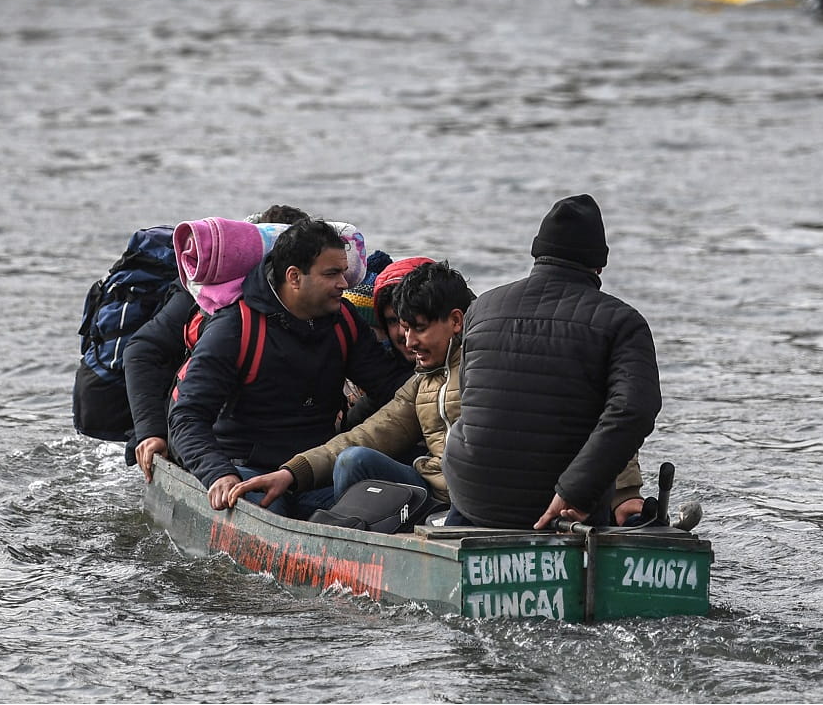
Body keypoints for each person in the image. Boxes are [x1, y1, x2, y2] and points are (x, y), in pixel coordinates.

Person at [235, 260, 648, 522]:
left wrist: (625, 495)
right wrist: (291, 472)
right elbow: (365, 435)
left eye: (418, 328)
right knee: (353, 460)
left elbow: (603, 418)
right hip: (431, 494)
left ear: (455, 321)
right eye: (402, 328)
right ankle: (366, 538)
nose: (408, 341)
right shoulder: (420, 383)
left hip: (487, 501)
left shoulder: (491, 364)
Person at [168, 217, 413, 517]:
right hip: (248, 473)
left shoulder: (344, 320)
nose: (344, 283)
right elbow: (187, 417)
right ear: (294, 277)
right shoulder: (235, 328)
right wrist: (218, 474)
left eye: (344, 272)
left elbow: (390, 387)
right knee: (267, 511)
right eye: (332, 274)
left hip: (314, 471)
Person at [441, 194, 660, 530]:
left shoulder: (482, 308)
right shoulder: (623, 323)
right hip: (561, 507)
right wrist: (576, 491)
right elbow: (633, 411)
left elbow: (467, 399)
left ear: (537, 253)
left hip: (473, 496)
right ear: (599, 264)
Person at [121, 205, 309, 481]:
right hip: (201, 427)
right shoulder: (211, 293)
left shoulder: (321, 301)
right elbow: (142, 350)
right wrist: (151, 432)